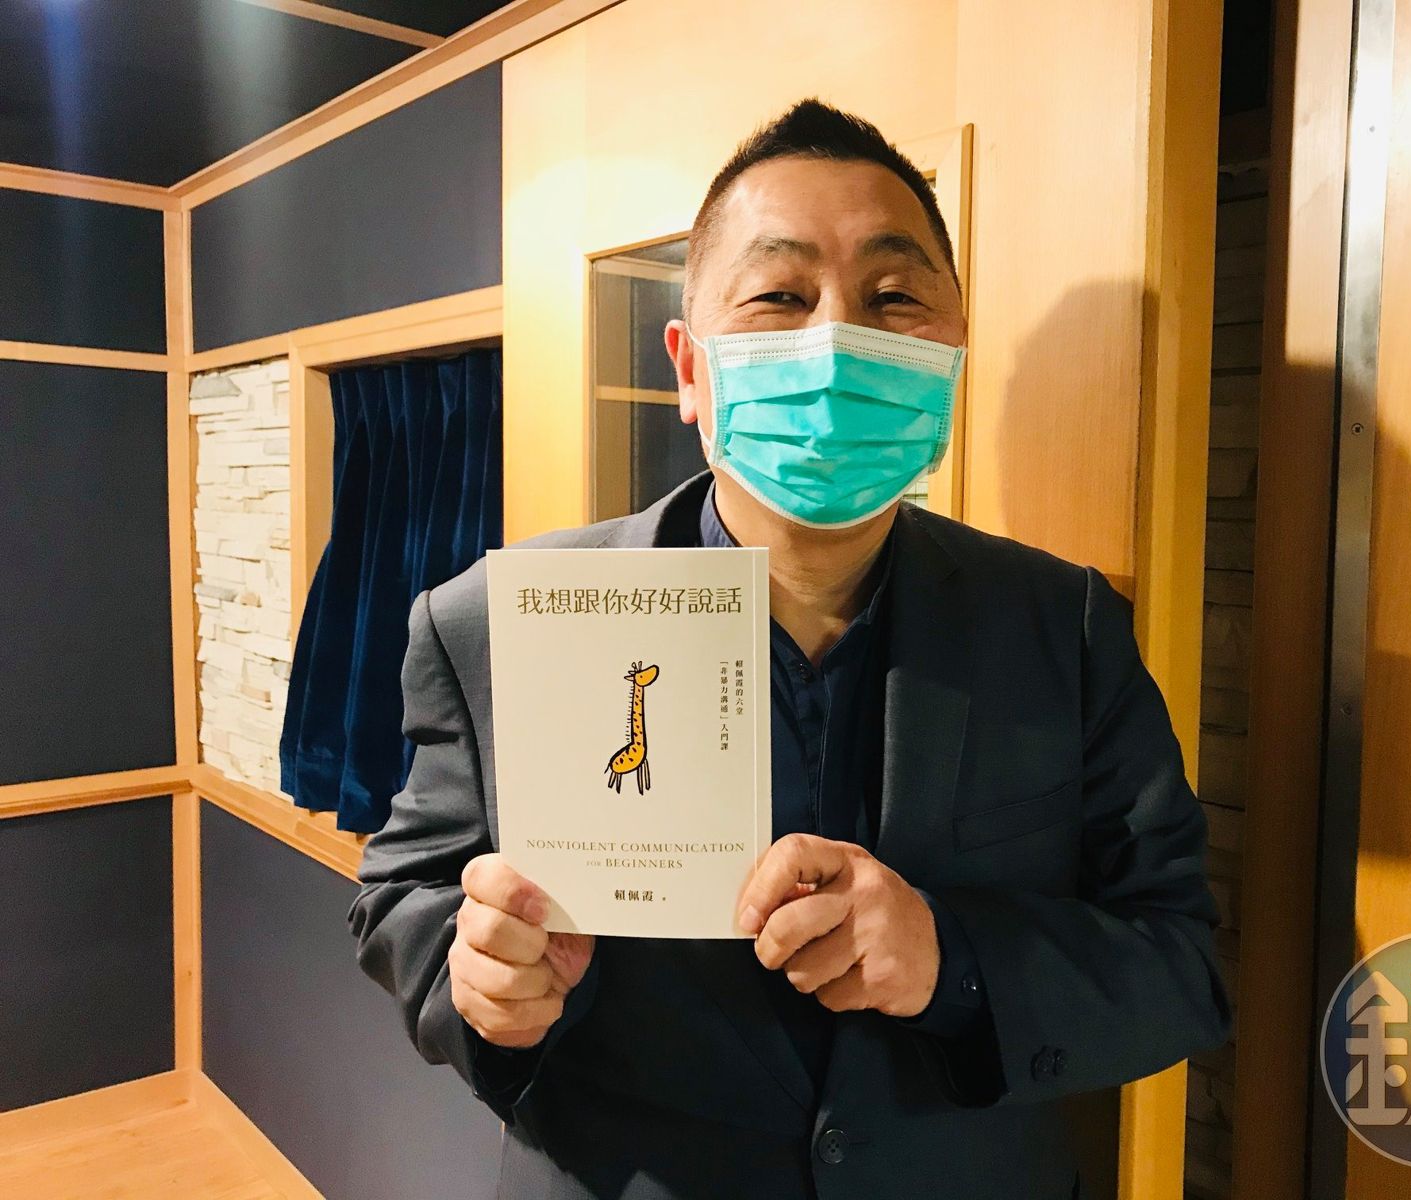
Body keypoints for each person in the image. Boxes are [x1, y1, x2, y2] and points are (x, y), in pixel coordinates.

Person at [348, 97, 1232, 1200]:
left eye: (893, 297)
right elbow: (402, 895)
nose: (835, 341)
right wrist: (474, 975)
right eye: (779, 295)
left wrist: (951, 961)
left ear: (950, 354)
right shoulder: (496, 621)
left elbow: (1176, 962)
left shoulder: (1065, 626)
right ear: (689, 368)